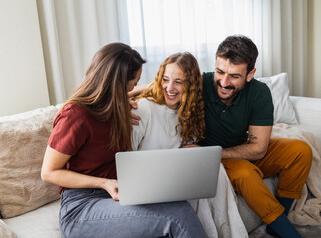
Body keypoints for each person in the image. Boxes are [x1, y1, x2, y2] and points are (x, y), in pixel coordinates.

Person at [130, 35, 312, 238]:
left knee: (300, 150)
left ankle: (279, 221)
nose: (224, 82)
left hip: (237, 149)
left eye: (234, 76)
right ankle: (287, 232)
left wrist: (213, 152)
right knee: (245, 174)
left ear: (250, 74)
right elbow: (164, 85)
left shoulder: (259, 92)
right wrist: (122, 98)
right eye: (220, 72)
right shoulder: (202, 83)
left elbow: (259, 148)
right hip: (216, 158)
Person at [41, 43, 208, 238]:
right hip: (82, 207)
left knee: (179, 204)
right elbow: (49, 172)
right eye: (134, 83)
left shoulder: (115, 105)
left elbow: (120, 94)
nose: (135, 87)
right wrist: (104, 183)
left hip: (120, 194)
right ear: (117, 83)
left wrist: (143, 91)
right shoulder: (75, 116)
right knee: (178, 216)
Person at [131, 52, 247, 238]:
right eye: (165, 79)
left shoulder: (187, 112)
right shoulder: (144, 108)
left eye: (179, 82)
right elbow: (128, 157)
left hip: (173, 179)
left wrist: (190, 152)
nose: (170, 87)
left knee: (214, 171)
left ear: (190, 85)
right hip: (149, 185)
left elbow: (182, 149)